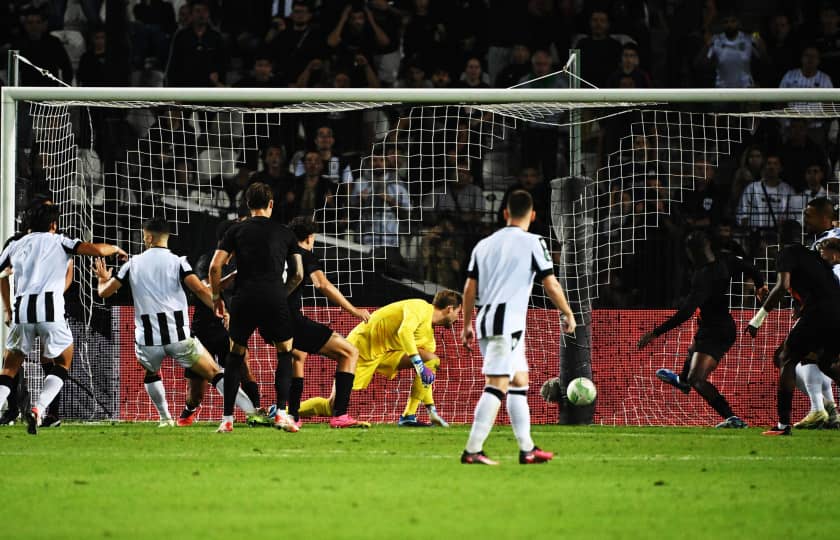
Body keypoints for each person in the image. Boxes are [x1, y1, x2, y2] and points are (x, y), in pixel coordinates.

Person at [95, 216, 260, 429]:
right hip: (178, 338)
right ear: (167, 237)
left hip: (147, 340)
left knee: (151, 373)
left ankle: (165, 418)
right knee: (215, 373)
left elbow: (104, 292)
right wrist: (220, 309)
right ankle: (252, 413)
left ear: (148, 237)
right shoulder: (178, 262)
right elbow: (201, 290)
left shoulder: (131, 264)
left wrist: (101, 278)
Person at [460, 190, 577, 465]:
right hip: (506, 325)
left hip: (489, 320)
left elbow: (468, 289)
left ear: (505, 214)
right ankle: (472, 450)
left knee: (519, 381)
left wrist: (466, 323)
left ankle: (527, 450)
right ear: (533, 215)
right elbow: (551, 283)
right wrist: (567, 312)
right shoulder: (534, 242)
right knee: (498, 384)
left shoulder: (484, 245)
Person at [0, 203, 127, 434]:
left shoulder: (14, 244)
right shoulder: (60, 240)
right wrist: (116, 248)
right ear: (53, 224)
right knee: (62, 362)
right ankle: (39, 409)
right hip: (51, 312)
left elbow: (0, 273)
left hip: (22, 312)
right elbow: (95, 250)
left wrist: (8, 306)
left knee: (8, 368)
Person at [639, 231, 767, 428]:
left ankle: (732, 418)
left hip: (717, 330)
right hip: (713, 326)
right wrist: (761, 284)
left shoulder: (703, 277)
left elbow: (685, 313)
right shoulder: (725, 260)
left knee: (697, 380)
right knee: (693, 349)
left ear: (690, 253)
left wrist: (655, 333)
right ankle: (681, 381)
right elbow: (749, 265)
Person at [209, 182, 304, 433]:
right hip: (274, 297)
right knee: (285, 352)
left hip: (244, 298)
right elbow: (298, 274)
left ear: (248, 205)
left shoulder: (236, 231)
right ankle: (282, 414)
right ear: (271, 204)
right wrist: (280, 295)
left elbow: (215, 267)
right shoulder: (286, 233)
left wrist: (216, 296)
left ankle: (227, 419)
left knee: (235, 355)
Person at [298, 290, 463, 428]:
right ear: (450, 309)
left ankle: (408, 416)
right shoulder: (420, 307)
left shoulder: (429, 340)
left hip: (386, 354)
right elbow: (404, 332)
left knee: (431, 359)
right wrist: (419, 365)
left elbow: (425, 377)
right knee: (332, 407)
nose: (458, 317)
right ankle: (285, 410)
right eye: (458, 312)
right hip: (362, 347)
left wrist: (431, 409)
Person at [747, 219, 840, 435]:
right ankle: (823, 410)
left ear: (779, 236)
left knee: (785, 358)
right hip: (836, 311)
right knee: (826, 363)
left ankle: (783, 425)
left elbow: (782, 287)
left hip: (819, 312)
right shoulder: (814, 256)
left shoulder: (786, 253)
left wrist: (757, 320)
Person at [176, 219, 270, 428]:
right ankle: (189, 410)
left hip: (230, 329)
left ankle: (255, 412)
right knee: (196, 394)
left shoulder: (244, 260)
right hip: (205, 330)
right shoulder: (207, 260)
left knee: (244, 366)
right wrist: (223, 307)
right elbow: (205, 288)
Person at [283, 217, 371, 429]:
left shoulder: (279, 254)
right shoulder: (306, 255)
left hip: (269, 318)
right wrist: (353, 310)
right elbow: (321, 284)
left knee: (298, 355)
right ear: (310, 237)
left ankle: (292, 414)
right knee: (349, 352)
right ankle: (340, 414)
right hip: (291, 318)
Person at [0, 198, 72, 428]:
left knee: (41, 358)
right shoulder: (16, 242)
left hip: (42, 307)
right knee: (13, 359)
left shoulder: (58, 240)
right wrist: (7, 307)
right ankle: (16, 409)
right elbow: (3, 279)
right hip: (26, 307)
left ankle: (50, 414)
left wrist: (52, 294)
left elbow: (68, 274)